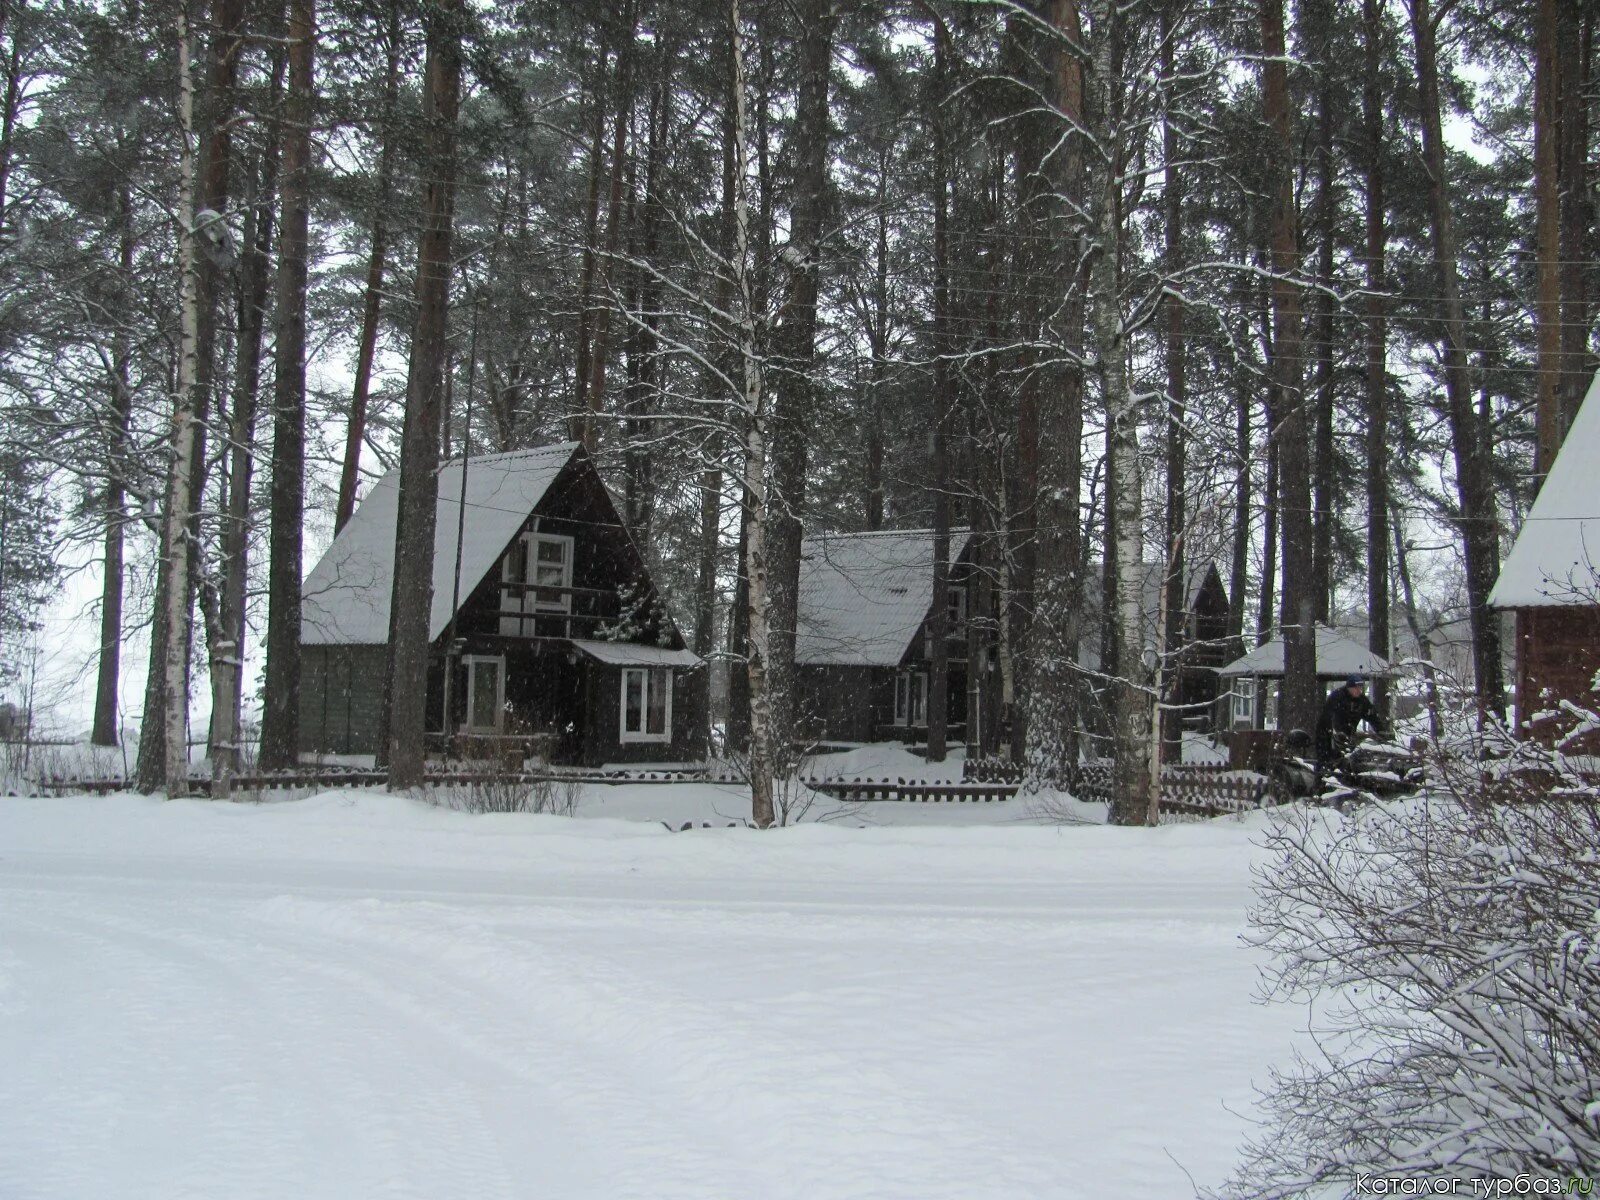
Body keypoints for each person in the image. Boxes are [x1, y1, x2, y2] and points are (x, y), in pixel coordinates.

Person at [1314, 675, 1387, 772]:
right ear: (1349, 688)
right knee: (1327, 761)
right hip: (1329, 735)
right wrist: (1331, 735)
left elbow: (1373, 717)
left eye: (1360, 688)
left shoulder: (1362, 701)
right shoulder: (1337, 697)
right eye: (1356, 688)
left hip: (1349, 736)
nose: (1358, 690)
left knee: (1350, 761)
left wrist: (1382, 732)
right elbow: (1326, 718)